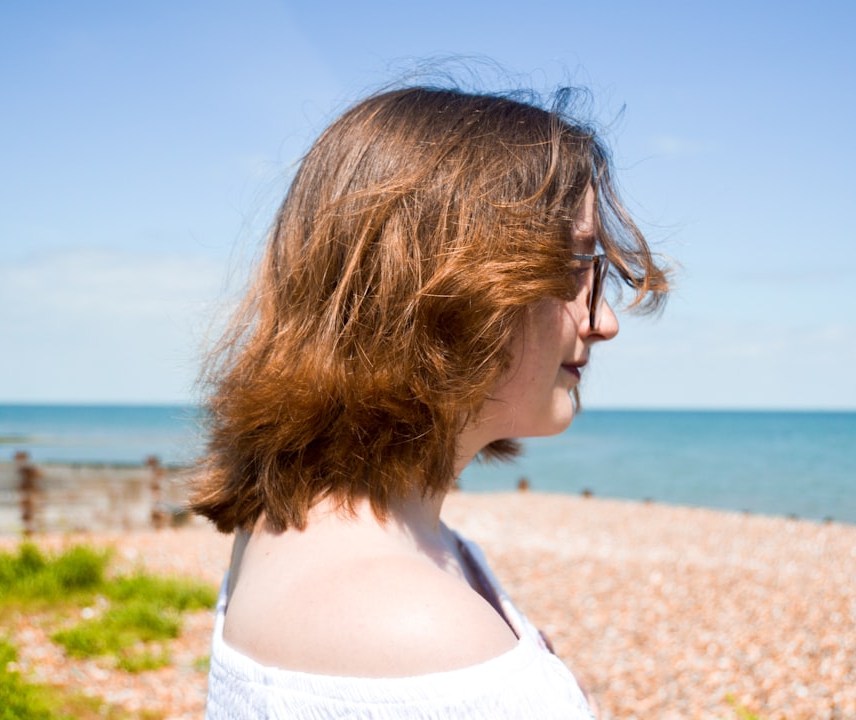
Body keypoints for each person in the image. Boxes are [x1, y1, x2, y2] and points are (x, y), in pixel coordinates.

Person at [191, 82, 668, 719]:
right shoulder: (423, 633)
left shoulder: (300, 530)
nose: (603, 321)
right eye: (572, 268)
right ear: (452, 289)